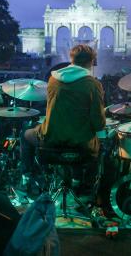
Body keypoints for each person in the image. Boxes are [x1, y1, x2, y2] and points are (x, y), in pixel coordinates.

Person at [21, 45, 106, 192]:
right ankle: (80, 183)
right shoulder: (93, 84)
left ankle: (26, 178)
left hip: (50, 140)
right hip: (81, 145)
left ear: (71, 59)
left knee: (25, 135)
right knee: (97, 143)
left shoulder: (53, 79)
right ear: (91, 62)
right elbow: (98, 121)